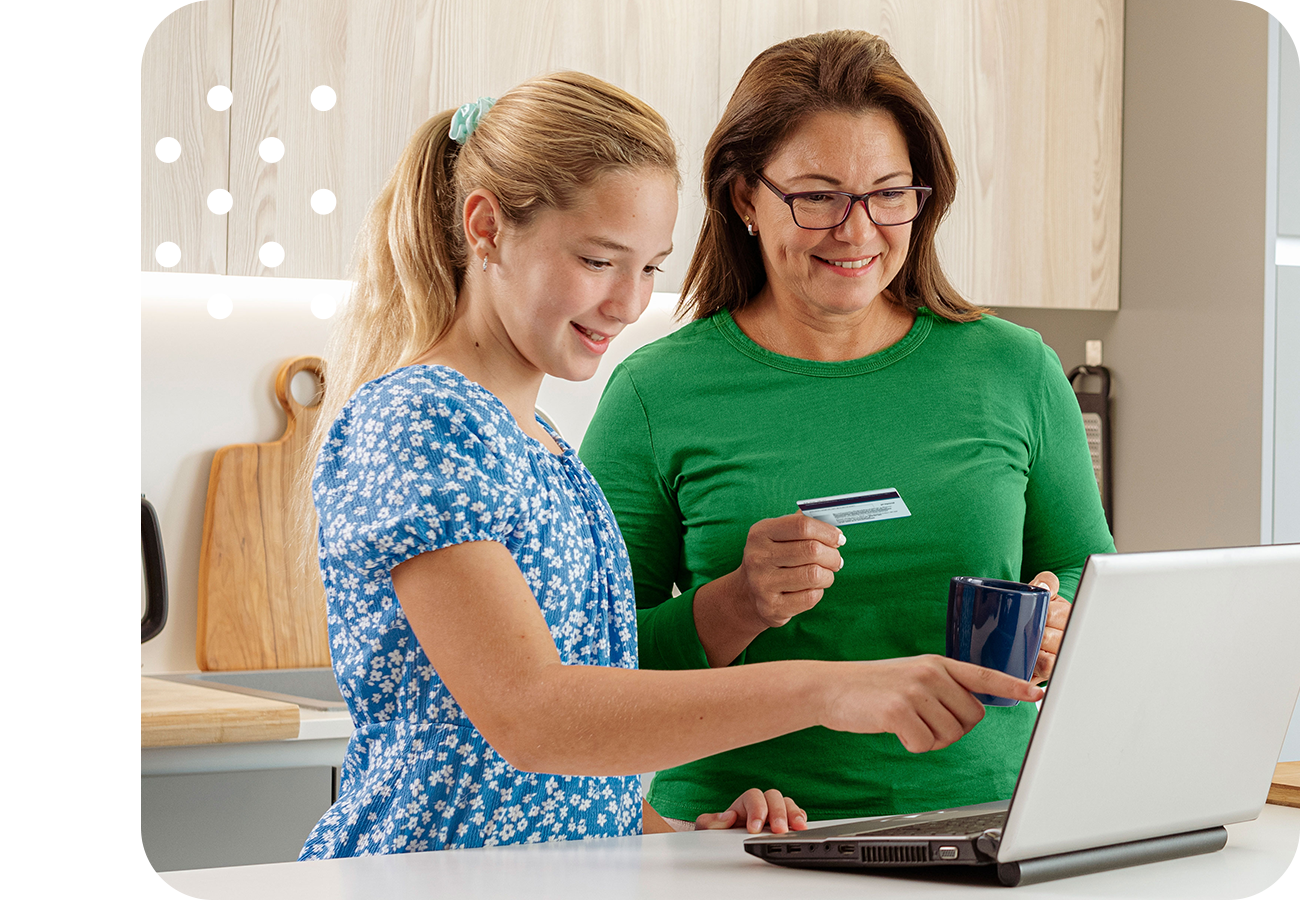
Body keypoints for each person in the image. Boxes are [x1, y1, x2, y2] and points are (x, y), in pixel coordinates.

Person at [295, 71, 1042, 859]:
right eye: (597, 260)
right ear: (485, 228)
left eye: (649, 267)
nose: (627, 303)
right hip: (428, 875)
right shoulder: (421, 423)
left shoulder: (542, 446)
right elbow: (535, 718)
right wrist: (832, 686)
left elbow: (576, 752)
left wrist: (675, 836)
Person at [580, 31, 1115, 826]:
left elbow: (1083, 569)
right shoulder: (656, 392)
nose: (858, 231)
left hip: (987, 824)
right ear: (742, 199)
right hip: (740, 841)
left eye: (889, 193)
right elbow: (591, 670)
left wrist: (1062, 617)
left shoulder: (1016, 368)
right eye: (818, 195)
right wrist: (736, 603)